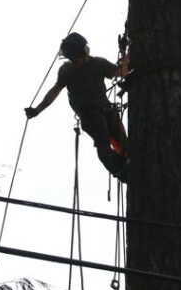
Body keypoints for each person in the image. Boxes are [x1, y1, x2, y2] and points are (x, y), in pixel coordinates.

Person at [25, 32, 129, 182]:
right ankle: (121, 170)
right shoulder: (66, 70)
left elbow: (122, 72)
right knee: (103, 143)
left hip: (106, 111)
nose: (74, 61)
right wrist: (37, 110)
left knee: (124, 143)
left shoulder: (99, 64)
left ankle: (129, 163)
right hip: (89, 113)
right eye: (70, 57)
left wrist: (124, 53)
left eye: (75, 56)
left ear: (84, 52)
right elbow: (54, 91)